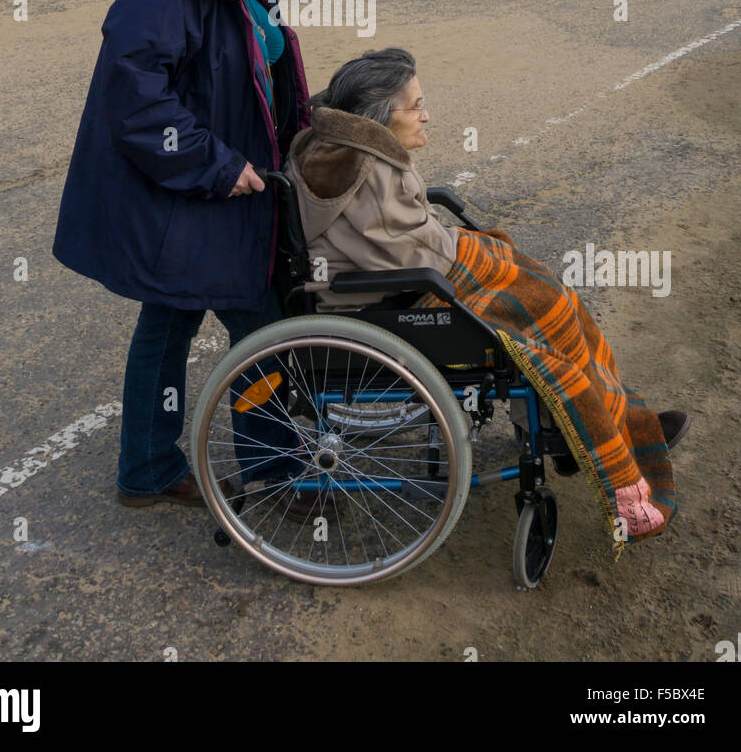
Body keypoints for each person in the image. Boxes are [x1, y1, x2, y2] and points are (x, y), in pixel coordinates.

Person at [284, 46, 691, 549]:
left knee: (546, 291)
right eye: (415, 105)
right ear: (380, 115)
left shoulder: (354, 154)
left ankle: (605, 421)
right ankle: (586, 433)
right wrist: (473, 252)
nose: (426, 113)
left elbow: (409, 239)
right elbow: (415, 253)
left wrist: (475, 249)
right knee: (545, 313)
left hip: (405, 284)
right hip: (394, 303)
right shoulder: (363, 168)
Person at [52, 0, 311, 507]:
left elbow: (265, 63)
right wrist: (217, 164)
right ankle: (276, 474)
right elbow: (134, 94)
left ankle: (145, 469)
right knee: (261, 323)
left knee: (169, 320)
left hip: (229, 179)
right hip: (195, 186)